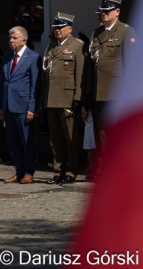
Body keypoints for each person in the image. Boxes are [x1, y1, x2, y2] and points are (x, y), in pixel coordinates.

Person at [43, 13, 87, 184]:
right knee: (55, 139)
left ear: (70, 29)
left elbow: (80, 75)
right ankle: (58, 170)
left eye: (61, 28)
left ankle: (71, 170)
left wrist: (78, 99)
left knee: (70, 138)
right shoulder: (51, 48)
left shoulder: (77, 46)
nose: (57, 31)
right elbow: (46, 76)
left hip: (67, 98)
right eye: (55, 28)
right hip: (51, 99)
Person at [89, 0, 136, 150]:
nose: (104, 14)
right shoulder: (97, 33)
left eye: (107, 11)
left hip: (116, 90)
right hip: (99, 91)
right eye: (102, 11)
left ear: (117, 12)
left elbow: (130, 63)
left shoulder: (126, 31)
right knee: (101, 133)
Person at [0, 26, 40, 184]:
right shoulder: (7, 58)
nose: (11, 41)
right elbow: (3, 82)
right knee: (13, 141)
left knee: (26, 141)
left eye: (14, 38)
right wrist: (2, 106)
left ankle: (29, 172)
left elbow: (35, 85)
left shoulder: (33, 57)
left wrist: (32, 107)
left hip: (24, 107)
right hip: (9, 106)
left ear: (24, 40)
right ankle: (19, 170)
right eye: (10, 38)